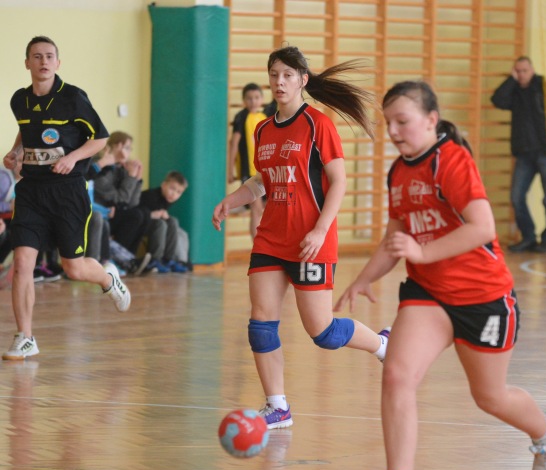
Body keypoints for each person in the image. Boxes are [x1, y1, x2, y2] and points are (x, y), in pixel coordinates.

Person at [335, 81, 546, 470]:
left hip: (483, 297)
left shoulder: (452, 161)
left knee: (490, 397)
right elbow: (395, 237)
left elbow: (482, 227)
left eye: (402, 122)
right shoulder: (398, 172)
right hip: (428, 294)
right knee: (397, 374)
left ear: (431, 120)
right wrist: (363, 278)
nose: (394, 132)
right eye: (388, 123)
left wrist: (423, 252)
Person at [211, 46, 390, 430]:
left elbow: (339, 181)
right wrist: (232, 199)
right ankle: (277, 406)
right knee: (260, 324)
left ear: (302, 80)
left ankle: (382, 344)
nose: (280, 82)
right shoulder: (262, 128)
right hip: (271, 239)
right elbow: (263, 180)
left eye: (288, 75)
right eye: (274, 75)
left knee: (322, 332)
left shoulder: (317, 124)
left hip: (311, 241)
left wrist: (321, 229)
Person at [3, 36, 130, 360]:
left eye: (49, 56)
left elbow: (99, 138)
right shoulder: (19, 99)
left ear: (58, 63)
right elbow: (26, 129)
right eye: (37, 56)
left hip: (67, 193)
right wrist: (16, 151)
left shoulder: (73, 97)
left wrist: (72, 158)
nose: (43, 61)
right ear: (27, 63)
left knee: (73, 268)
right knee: (22, 263)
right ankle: (25, 337)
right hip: (31, 191)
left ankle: (108, 278)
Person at [491, 56, 546, 253]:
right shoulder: (515, 92)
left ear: (532, 70)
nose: (521, 74)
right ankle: (528, 237)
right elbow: (497, 100)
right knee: (516, 196)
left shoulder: (545, 89)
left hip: (545, 153)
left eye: (524, 70)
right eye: (517, 71)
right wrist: (510, 80)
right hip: (524, 154)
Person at [89, 131, 151, 274]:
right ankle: (125, 261)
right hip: (100, 212)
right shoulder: (100, 166)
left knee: (144, 213)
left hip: (111, 213)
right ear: (118, 146)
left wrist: (137, 179)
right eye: (127, 147)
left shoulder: (120, 168)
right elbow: (120, 198)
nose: (129, 152)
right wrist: (130, 177)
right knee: (135, 215)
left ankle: (130, 260)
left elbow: (133, 202)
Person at [227, 83, 278, 239]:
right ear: (243, 100)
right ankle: (257, 245)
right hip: (248, 171)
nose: (253, 101)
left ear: (262, 99)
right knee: (256, 209)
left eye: (256, 98)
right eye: (249, 98)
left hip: (265, 170)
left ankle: (245, 205)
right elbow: (234, 143)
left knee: (268, 206)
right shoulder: (241, 117)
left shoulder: (265, 114)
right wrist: (230, 170)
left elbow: (278, 99)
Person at [139, 170, 191, 273]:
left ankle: (169, 260)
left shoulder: (167, 199)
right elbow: (136, 211)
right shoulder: (151, 196)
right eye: (172, 188)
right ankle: (155, 259)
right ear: (163, 185)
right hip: (140, 224)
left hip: (153, 224)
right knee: (161, 224)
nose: (174, 194)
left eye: (179, 192)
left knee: (173, 221)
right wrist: (152, 214)